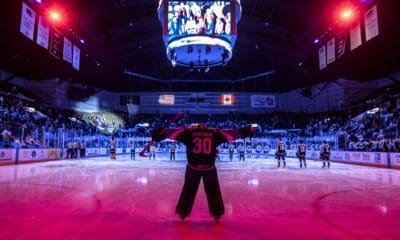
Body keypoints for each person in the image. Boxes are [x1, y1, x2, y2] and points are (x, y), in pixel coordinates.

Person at [150, 123, 255, 222]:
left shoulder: (188, 133)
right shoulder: (214, 134)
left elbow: (171, 132)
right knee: (213, 191)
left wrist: (159, 133)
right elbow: (232, 134)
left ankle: (183, 212)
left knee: (188, 191)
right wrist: (245, 131)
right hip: (209, 168)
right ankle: (216, 213)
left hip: (193, 168)